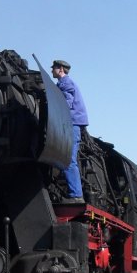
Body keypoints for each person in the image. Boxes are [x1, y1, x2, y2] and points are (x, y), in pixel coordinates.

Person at [51, 59, 89, 200]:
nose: (52, 70)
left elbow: (66, 103)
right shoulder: (63, 83)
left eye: (54, 68)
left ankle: (76, 195)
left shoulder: (66, 83)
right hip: (70, 123)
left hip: (72, 124)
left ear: (61, 69)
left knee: (68, 159)